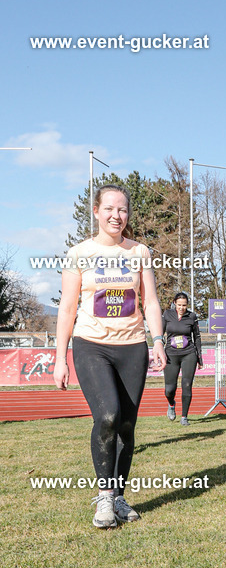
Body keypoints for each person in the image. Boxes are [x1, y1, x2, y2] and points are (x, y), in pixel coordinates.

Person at [54, 184, 167, 528]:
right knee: (108, 416)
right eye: (109, 209)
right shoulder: (79, 253)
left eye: (123, 210)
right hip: (91, 345)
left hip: (132, 346)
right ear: (96, 212)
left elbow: (149, 301)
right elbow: (68, 307)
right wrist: (60, 357)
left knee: (127, 426)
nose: (117, 216)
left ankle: (118, 497)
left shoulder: (139, 253)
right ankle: (103, 499)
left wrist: (158, 340)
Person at [162, 292, 203, 425]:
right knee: (169, 389)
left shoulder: (192, 316)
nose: (181, 308)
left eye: (184, 305)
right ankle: (171, 404)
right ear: (174, 303)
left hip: (188, 354)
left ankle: (184, 416)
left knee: (187, 385)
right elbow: (159, 332)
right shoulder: (167, 314)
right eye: (179, 305)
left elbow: (197, 337)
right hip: (171, 354)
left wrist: (199, 358)